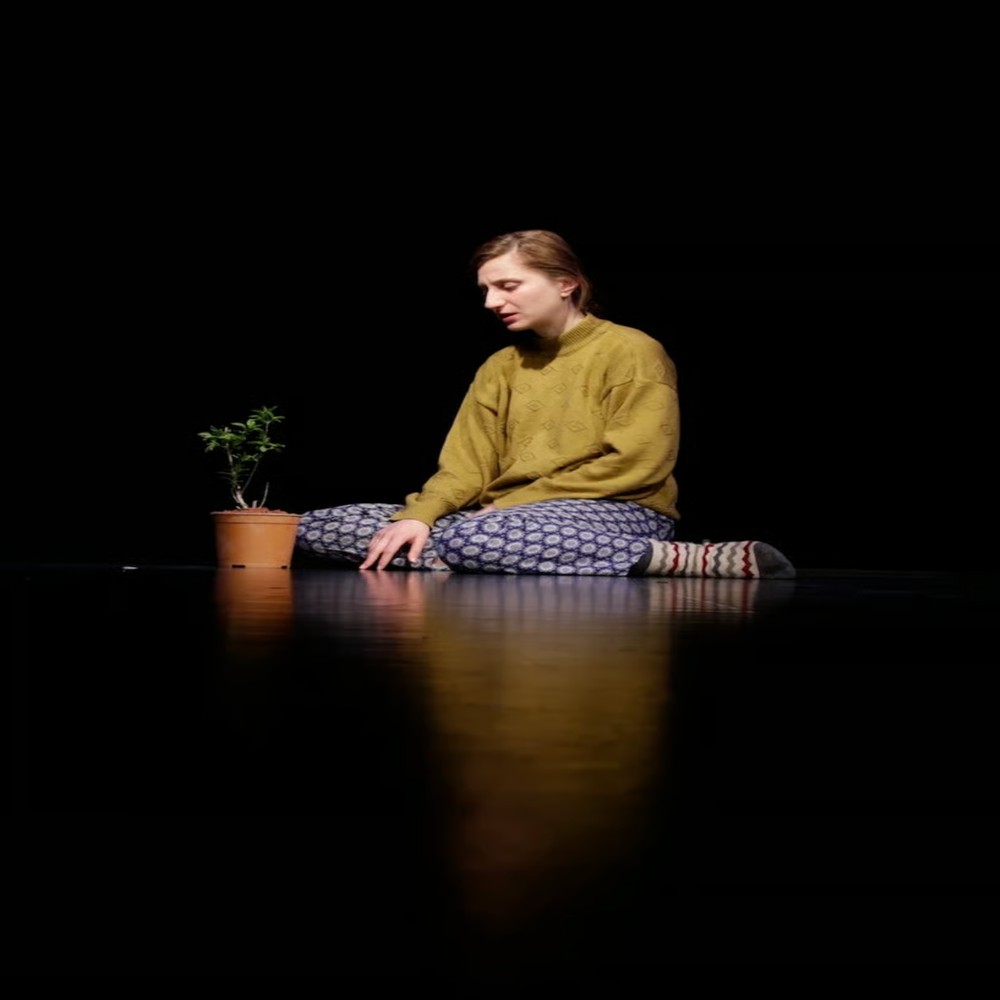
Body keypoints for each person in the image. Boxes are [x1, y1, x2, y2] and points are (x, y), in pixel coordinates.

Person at [296, 230, 794, 579]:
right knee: (314, 527)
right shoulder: (500, 366)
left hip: (615, 509)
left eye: (507, 286)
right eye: (486, 290)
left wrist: (506, 508)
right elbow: (465, 467)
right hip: (498, 516)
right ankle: (473, 554)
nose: (492, 302)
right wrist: (420, 516)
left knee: (473, 539)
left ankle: (676, 559)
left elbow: (638, 463)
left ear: (565, 283)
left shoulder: (632, 351)